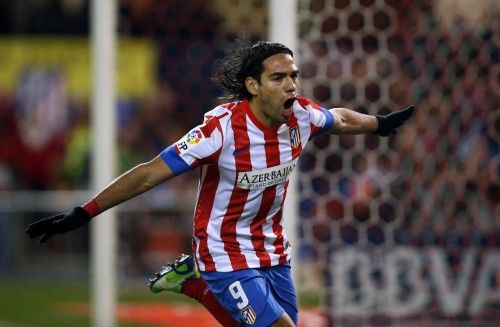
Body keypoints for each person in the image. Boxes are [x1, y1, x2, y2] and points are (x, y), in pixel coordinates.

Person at [26, 41, 414, 327]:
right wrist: (84, 212)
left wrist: (379, 125)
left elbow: (340, 119)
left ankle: (195, 284)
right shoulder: (219, 131)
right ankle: (201, 277)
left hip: (272, 248)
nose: (292, 86)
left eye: (294, 76)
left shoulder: (301, 116)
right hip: (223, 250)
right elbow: (147, 174)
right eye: (278, 78)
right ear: (253, 86)